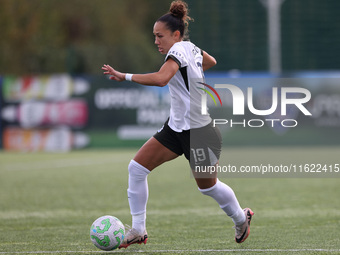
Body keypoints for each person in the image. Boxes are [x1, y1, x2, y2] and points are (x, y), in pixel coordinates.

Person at [102, 0, 253, 249]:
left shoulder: (179, 51)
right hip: (176, 128)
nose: (156, 41)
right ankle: (138, 229)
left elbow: (162, 79)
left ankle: (241, 218)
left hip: (200, 132)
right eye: (154, 36)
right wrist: (193, 69)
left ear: (176, 34)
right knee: (137, 169)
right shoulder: (190, 49)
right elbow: (211, 61)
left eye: (160, 36)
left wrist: (124, 75)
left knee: (208, 187)